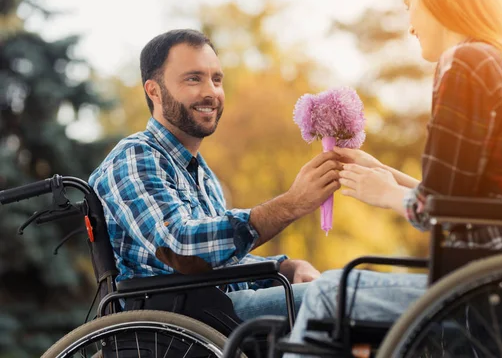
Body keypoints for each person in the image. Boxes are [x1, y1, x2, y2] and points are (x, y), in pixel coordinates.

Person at [285, 0, 502, 352]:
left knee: (326, 294)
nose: (410, 24)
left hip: (493, 281)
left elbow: (432, 211)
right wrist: (385, 173)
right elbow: (462, 200)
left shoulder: (465, 63)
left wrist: (384, 193)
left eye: (409, 5)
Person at [89, 29, 342, 324]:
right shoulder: (133, 158)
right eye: (193, 78)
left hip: (213, 307)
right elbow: (181, 248)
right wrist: (291, 204)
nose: (211, 91)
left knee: (342, 289)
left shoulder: (202, 174)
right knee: (344, 296)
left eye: (216, 79)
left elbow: (217, 260)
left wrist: (285, 267)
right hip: (175, 318)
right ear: (154, 91)